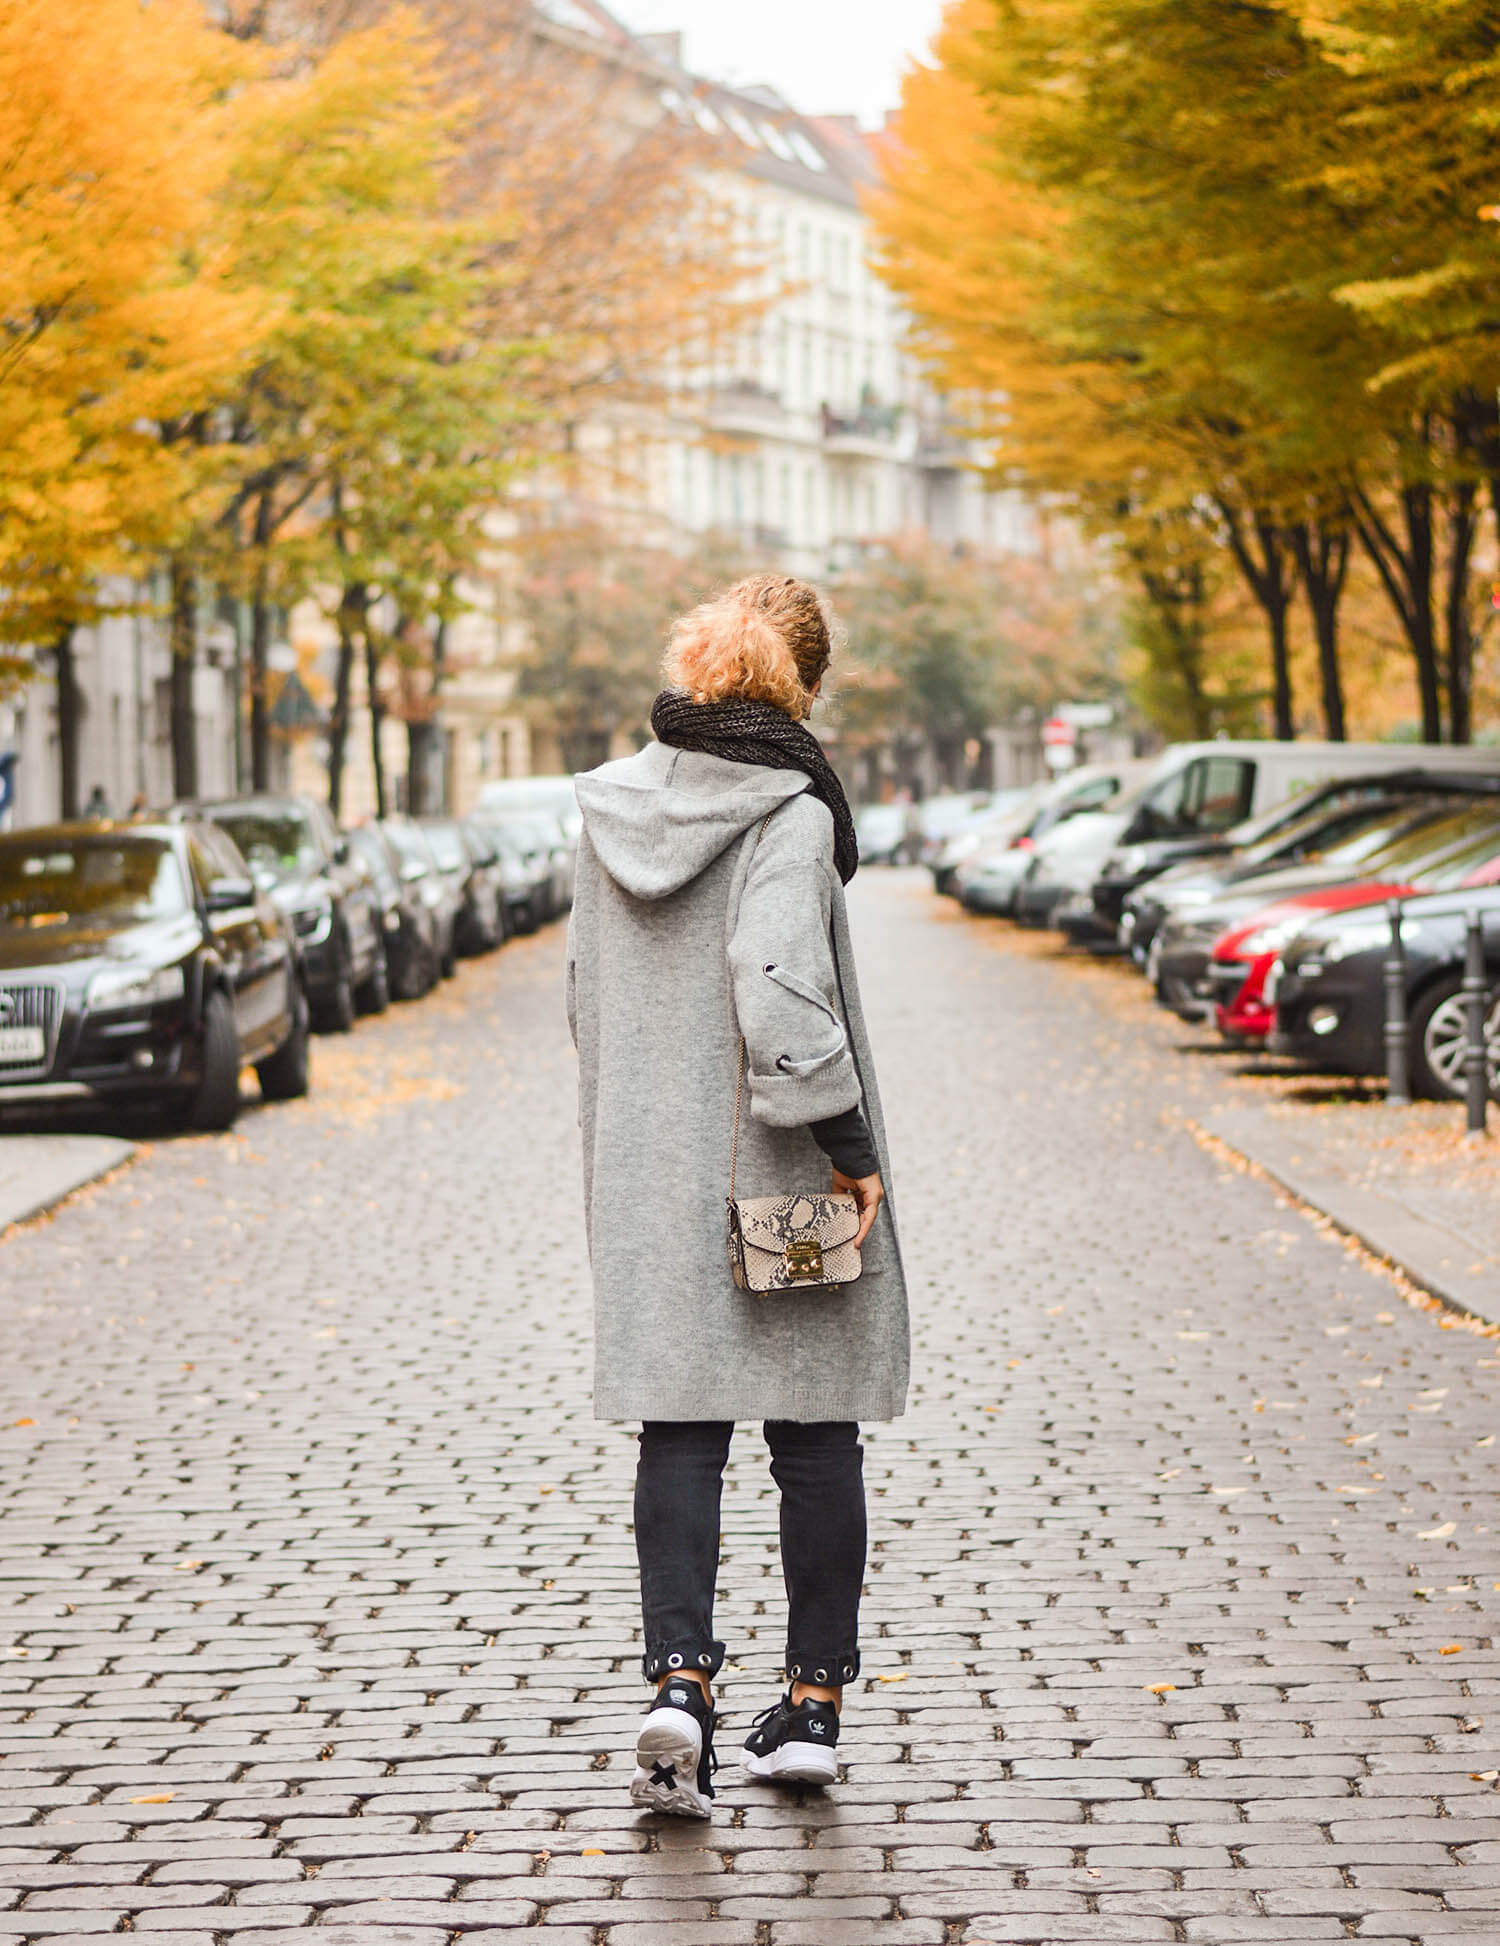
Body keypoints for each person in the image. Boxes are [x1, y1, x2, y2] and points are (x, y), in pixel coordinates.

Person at [566, 572, 910, 1818]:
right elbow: (778, 988)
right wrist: (851, 1143)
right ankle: (813, 1706)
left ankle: (679, 1688)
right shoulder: (792, 809)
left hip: (650, 1171)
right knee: (814, 1434)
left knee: (680, 1423)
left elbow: (583, 1006)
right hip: (784, 1170)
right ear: (803, 686)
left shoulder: (607, 809)